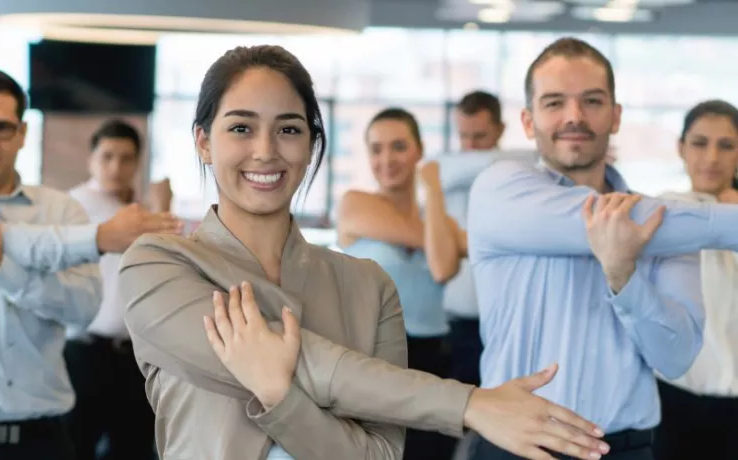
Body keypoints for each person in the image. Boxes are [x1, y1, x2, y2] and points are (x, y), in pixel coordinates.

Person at [117, 44, 610, 460]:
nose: (266, 150)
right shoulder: (158, 266)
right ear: (204, 142)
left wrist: (279, 396)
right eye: (241, 128)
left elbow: (377, 456)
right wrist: (468, 404)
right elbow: (313, 362)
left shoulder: (369, 286)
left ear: (312, 145)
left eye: (289, 129)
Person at [463, 37, 738, 459]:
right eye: (554, 103)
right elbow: (598, 219)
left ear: (616, 115)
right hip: (516, 448)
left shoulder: (672, 229)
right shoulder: (499, 190)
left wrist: (624, 277)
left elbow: (677, 357)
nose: (574, 116)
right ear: (528, 120)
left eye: (592, 100)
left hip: (626, 449)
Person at [0, 68, 180, 460]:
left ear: (22, 133)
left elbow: (82, 310)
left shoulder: (59, 208)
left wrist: (1, 270)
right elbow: (13, 238)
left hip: (39, 442)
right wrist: (97, 237)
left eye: (0, 128)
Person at [335, 108, 463, 460]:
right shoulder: (356, 205)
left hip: (434, 358)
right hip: (375, 356)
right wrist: (444, 229)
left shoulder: (438, 219)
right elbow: (442, 257)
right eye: (376, 149)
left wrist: (433, 190)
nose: (386, 159)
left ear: (419, 151)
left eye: (398, 147)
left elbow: (441, 267)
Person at [65, 119, 176, 459]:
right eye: (107, 156)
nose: (116, 167)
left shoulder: (145, 211)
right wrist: (158, 211)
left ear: (138, 162)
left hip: (136, 357)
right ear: (91, 160)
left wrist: (161, 210)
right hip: (84, 351)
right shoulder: (73, 206)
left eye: (126, 158)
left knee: (133, 449)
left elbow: (166, 268)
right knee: (74, 448)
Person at [652, 100, 738, 460]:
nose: (712, 157)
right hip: (672, 400)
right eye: (700, 143)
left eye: (726, 145)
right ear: (681, 148)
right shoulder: (661, 212)